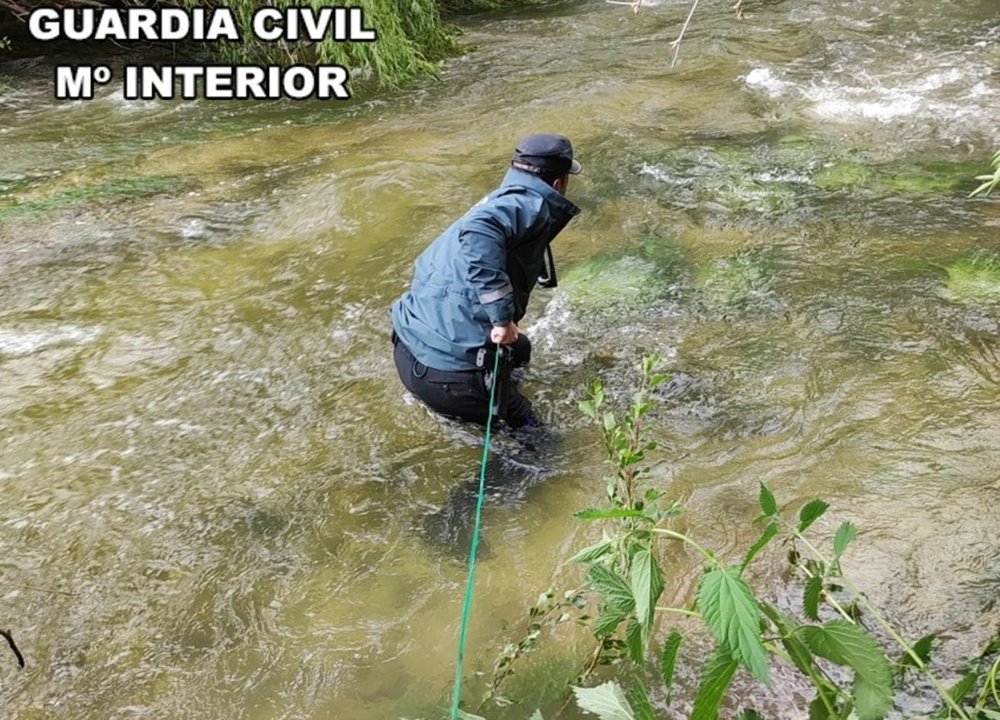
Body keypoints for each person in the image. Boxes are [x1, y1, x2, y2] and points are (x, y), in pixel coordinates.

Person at [391, 133, 582, 429]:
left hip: (407, 351)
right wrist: (502, 318)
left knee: (521, 349)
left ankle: (499, 389)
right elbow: (480, 231)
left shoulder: (500, 199)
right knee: (542, 445)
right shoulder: (527, 205)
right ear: (559, 183)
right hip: (450, 380)